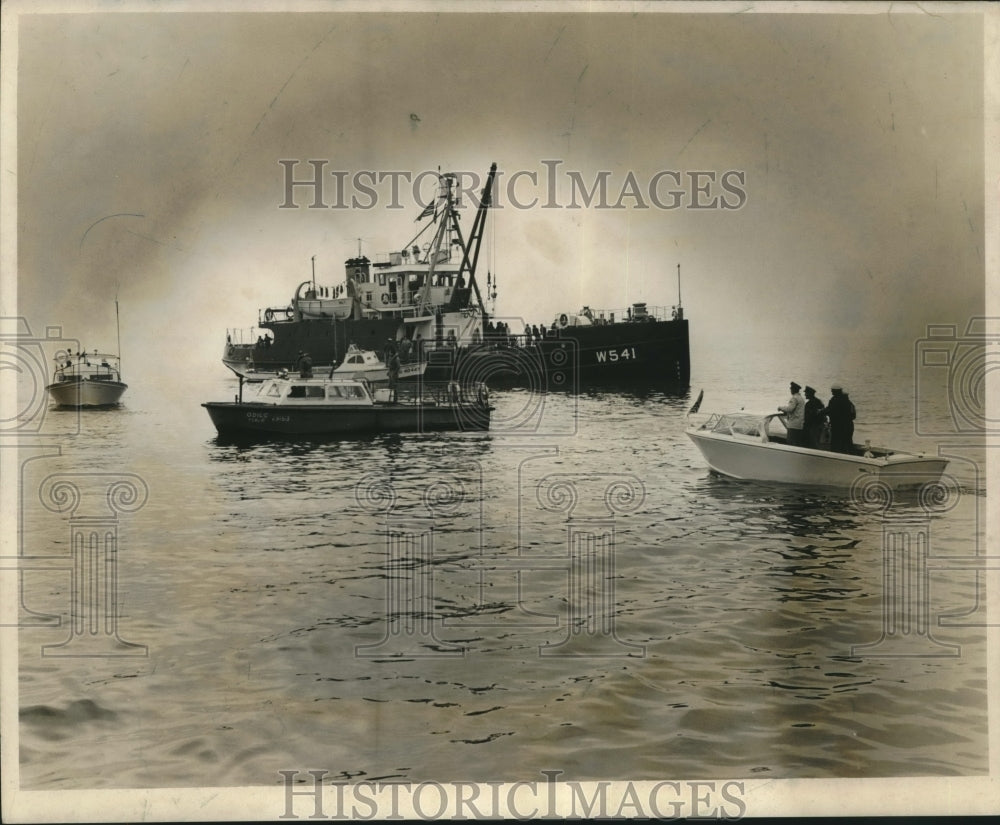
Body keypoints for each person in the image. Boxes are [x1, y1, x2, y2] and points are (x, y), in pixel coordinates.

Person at [824, 384, 856, 454]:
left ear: (836, 392)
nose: (832, 393)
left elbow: (829, 410)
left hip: (838, 426)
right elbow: (853, 416)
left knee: (836, 444)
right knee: (848, 443)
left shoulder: (834, 400)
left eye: (832, 391)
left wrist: (821, 411)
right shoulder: (850, 403)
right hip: (849, 426)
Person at [778, 381, 806, 446]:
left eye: (791, 389)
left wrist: (780, 408)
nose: (790, 390)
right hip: (799, 424)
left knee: (790, 443)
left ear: (793, 389)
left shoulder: (794, 398)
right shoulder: (801, 398)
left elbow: (790, 409)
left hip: (793, 424)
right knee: (797, 443)